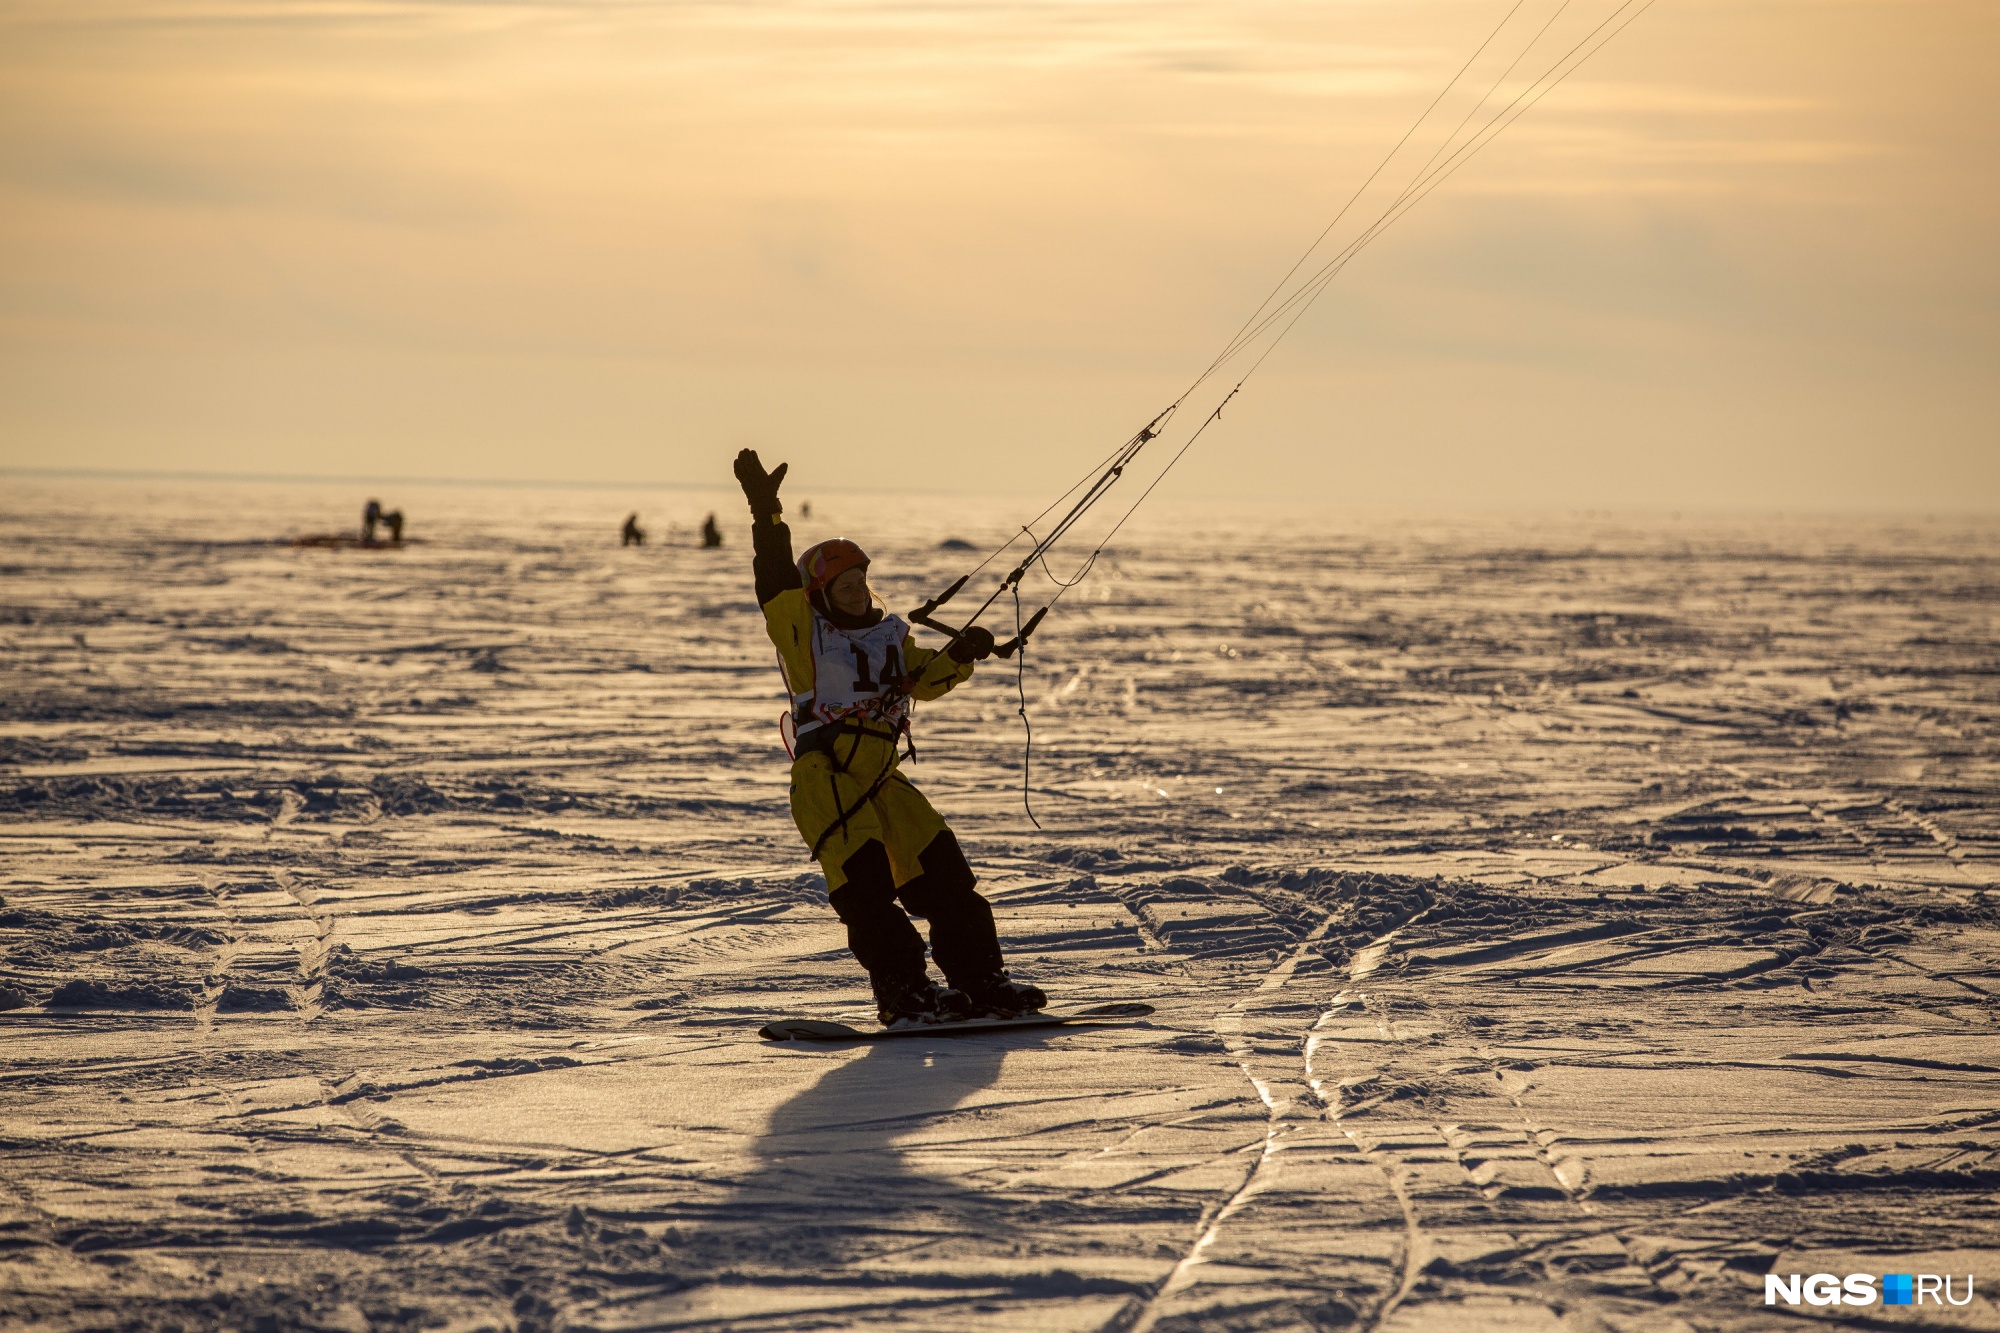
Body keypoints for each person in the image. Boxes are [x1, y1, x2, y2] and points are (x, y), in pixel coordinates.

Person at [733, 448, 1046, 1027]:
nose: (856, 591)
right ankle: (904, 992)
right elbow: (775, 581)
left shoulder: (888, 636)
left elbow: (924, 680)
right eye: (844, 584)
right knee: (868, 893)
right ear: (821, 592)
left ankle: (981, 982)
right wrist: (766, 513)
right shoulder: (802, 630)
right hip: (828, 779)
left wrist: (961, 653)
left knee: (948, 878)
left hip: (883, 778)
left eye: (861, 581)